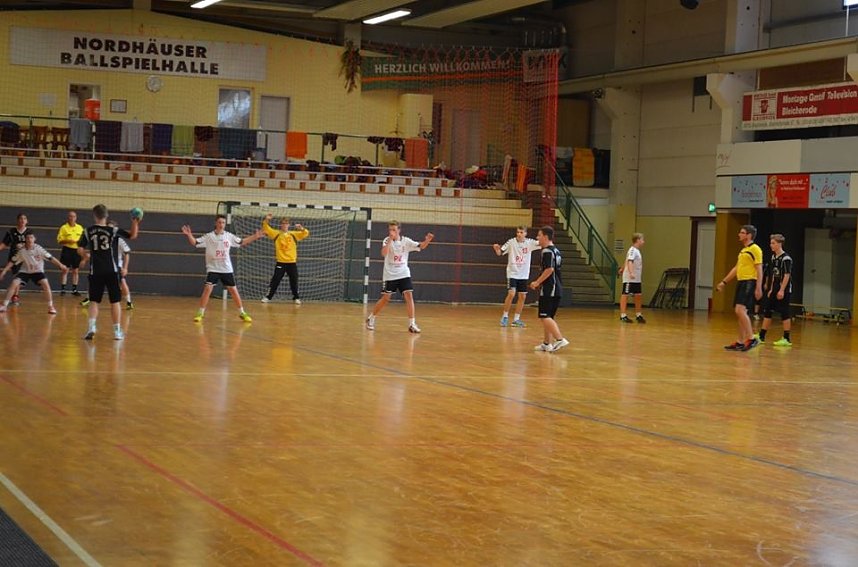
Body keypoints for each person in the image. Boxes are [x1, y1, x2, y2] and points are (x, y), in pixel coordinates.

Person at [181, 215, 263, 323]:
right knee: (207, 289)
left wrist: (255, 236)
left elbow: (242, 242)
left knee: (233, 291)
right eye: (219, 222)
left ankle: (242, 312)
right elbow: (195, 243)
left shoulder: (229, 236)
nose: (221, 225)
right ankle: (200, 313)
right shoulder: (209, 236)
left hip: (226, 269)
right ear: (216, 223)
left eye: (223, 223)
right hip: (213, 268)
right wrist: (189, 235)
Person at [77, 204, 140, 340]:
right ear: (106, 216)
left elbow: (79, 248)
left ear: (94, 216)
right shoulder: (113, 230)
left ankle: (91, 327)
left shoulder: (88, 231)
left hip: (95, 271)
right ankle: (117, 331)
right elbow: (132, 235)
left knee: (94, 301)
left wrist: (85, 256)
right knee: (115, 301)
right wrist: (135, 221)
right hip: (111, 270)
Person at [365, 221, 433, 333]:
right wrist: (390, 240)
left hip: (403, 273)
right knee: (386, 298)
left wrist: (427, 240)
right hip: (390, 274)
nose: (392, 232)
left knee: (409, 296)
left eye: (394, 230)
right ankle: (371, 318)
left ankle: (412, 324)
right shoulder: (387, 240)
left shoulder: (406, 241)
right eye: (390, 230)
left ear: (399, 230)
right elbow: (384, 253)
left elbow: (421, 246)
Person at [715, 224, 763, 351]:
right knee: (741, 313)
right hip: (741, 282)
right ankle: (740, 341)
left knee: (739, 310)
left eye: (742, 232)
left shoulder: (755, 249)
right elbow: (736, 269)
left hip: (749, 282)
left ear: (749, 235)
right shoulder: (743, 250)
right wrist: (723, 282)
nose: (739, 234)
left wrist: (759, 287)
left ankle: (752, 338)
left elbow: (759, 269)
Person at [0, 233, 68, 314]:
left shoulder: (39, 249)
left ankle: (51, 306)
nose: (29, 239)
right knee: (14, 283)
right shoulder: (22, 251)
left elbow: (51, 258)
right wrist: (4, 271)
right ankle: (4, 305)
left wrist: (61, 265)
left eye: (31, 238)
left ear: (34, 239)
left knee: (45, 283)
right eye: (27, 238)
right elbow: (12, 261)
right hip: (25, 271)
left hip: (38, 272)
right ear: (25, 240)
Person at [530, 226, 569, 352]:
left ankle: (559, 339)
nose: (537, 238)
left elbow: (549, 269)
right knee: (548, 317)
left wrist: (537, 282)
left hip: (549, 288)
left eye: (539, 235)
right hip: (557, 287)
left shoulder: (546, 251)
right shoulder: (556, 251)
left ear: (546, 237)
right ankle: (547, 343)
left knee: (544, 315)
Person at [492, 226, 539, 327]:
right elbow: (500, 252)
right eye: (517, 232)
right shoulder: (511, 242)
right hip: (512, 273)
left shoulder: (530, 243)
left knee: (522, 296)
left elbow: (542, 244)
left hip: (523, 274)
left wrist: (543, 238)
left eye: (521, 232)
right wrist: (497, 249)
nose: (519, 234)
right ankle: (505, 316)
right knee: (512, 294)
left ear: (525, 234)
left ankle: (516, 319)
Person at [260, 212, 309, 304]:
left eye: (286, 223)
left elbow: (306, 233)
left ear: (289, 225)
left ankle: (296, 297)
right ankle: (268, 297)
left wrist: (301, 228)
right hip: (281, 262)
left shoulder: (294, 234)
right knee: (275, 280)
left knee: (294, 280)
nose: (285, 225)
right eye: (283, 223)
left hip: (292, 262)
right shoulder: (276, 234)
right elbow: (265, 228)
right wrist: (267, 219)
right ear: (281, 225)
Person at [757, 233, 793, 347]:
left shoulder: (786, 259)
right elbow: (774, 274)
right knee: (768, 310)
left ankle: (787, 338)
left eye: (773, 243)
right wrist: (772, 289)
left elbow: (787, 275)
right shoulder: (773, 257)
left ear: (779, 244)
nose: (771, 245)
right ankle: (762, 335)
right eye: (771, 243)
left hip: (784, 288)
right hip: (775, 287)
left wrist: (781, 290)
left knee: (784, 312)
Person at [0, 213, 32, 306]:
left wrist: (23, 245)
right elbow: (4, 244)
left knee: (21, 278)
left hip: (26, 257)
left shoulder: (29, 232)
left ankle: (13, 292)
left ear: (27, 221)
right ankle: (15, 295)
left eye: (24, 218)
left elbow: (32, 243)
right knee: (17, 276)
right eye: (20, 218)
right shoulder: (11, 232)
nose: (22, 220)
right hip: (14, 257)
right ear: (17, 220)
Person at [619, 232, 646, 323]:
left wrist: (622, 268)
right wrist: (630, 273)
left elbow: (626, 260)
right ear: (638, 240)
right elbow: (629, 261)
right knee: (625, 295)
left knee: (638, 295)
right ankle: (623, 315)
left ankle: (638, 314)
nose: (643, 241)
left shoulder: (637, 251)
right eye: (642, 239)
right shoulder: (632, 250)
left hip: (637, 279)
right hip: (629, 278)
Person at [108, 219, 134, 310]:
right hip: (105, 265)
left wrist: (125, 268)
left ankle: (129, 302)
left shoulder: (119, 240)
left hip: (117, 265)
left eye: (111, 228)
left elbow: (127, 253)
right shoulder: (102, 239)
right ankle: (89, 298)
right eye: (108, 228)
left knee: (122, 282)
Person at [57, 210, 84, 296]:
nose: (72, 218)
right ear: (68, 217)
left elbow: (83, 240)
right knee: (65, 270)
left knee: (76, 270)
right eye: (70, 216)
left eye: (74, 216)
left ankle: (74, 289)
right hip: (67, 250)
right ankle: (63, 289)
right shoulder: (64, 228)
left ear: (76, 218)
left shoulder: (80, 228)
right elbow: (59, 240)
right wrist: (68, 240)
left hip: (76, 251)